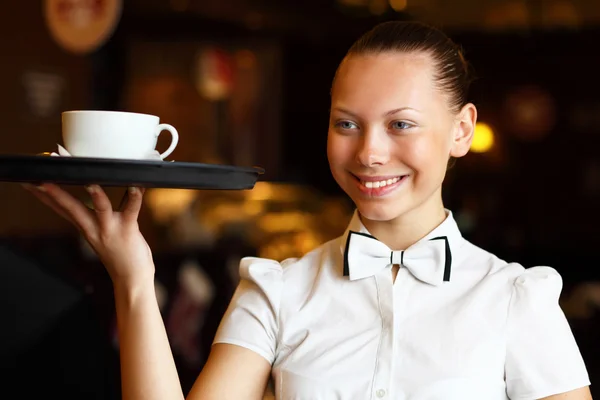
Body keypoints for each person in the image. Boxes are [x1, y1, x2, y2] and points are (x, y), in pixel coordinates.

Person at [24, 20, 592, 400]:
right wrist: (135, 280)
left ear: (461, 130)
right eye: (347, 123)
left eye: (401, 124)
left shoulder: (516, 299)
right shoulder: (277, 291)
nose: (368, 152)